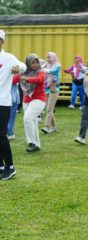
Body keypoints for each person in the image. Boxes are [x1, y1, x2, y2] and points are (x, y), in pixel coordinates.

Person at [0, 29, 26, 180]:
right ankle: (1, 166)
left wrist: (18, 69)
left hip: (2, 102)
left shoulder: (8, 57)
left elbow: (22, 66)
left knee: (1, 135)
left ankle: (10, 166)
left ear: (2, 42)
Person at [20, 54, 47, 152]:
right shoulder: (24, 72)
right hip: (26, 100)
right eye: (32, 62)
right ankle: (37, 145)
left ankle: (31, 143)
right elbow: (14, 79)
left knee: (27, 118)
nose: (35, 65)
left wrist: (27, 79)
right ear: (28, 63)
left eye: (36, 62)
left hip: (39, 99)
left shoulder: (41, 72)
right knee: (33, 122)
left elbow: (39, 79)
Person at [42, 52, 61, 134]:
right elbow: (39, 69)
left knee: (49, 109)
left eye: (49, 57)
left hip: (54, 89)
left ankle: (46, 126)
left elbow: (53, 71)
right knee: (48, 109)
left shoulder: (57, 65)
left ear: (53, 57)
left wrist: (43, 69)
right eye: (47, 57)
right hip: (46, 88)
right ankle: (54, 127)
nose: (48, 59)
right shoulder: (46, 65)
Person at [7, 75, 21, 140]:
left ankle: (9, 132)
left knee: (10, 117)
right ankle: (9, 133)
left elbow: (16, 79)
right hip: (11, 98)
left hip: (12, 98)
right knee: (10, 117)